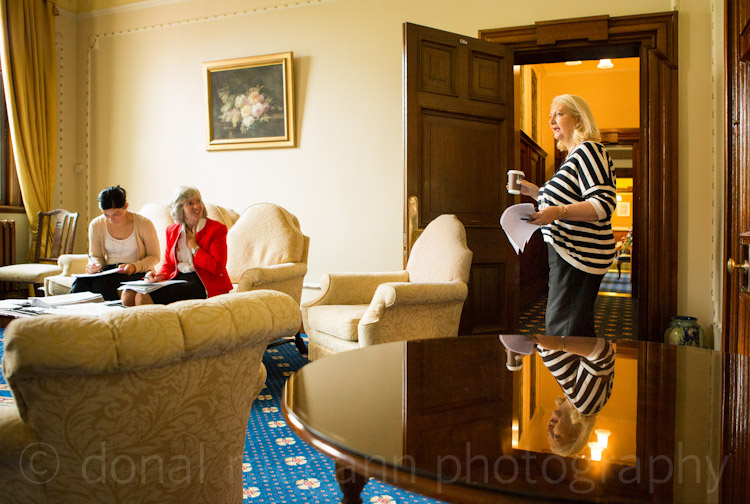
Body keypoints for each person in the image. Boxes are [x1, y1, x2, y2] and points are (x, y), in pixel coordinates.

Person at [514, 94, 617, 337]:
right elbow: (569, 199)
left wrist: (557, 212)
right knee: (568, 330)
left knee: (564, 332)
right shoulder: (572, 156)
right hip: (567, 253)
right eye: (550, 115)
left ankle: (572, 364)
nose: (551, 120)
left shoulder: (589, 150)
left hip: (579, 256)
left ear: (579, 119)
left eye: (559, 114)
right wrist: (535, 192)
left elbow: (603, 204)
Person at [500, 333, 614, 457]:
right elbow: (603, 354)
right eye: (557, 436)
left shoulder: (571, 397)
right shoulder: (585, 405)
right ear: (575, 433)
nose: (549, 428)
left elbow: (569, 355)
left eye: (548, 434)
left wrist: (532, 349)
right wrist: (560, 344)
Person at [122, 186, 232, 306]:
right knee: (128, 293)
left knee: (143, 296)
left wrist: (193, 246)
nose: (197, 206)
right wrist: (159, 276)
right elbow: (169, 264)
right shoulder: (172, 230)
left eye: (198, 201)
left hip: (203, 282)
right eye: (190, 203)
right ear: (180, 209)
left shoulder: (216, 229)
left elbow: (217, 268)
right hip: (178, 277)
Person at [70, 186, 160, 301]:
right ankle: (70, 311)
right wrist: (94, 265)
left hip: (137, 271)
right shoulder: (96, 225)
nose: (111, 219)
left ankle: (112, 311)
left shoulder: (144, 224)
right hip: (110, 270)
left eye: (116, 214)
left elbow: (155, 256)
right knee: (80, 283)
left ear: (125, 206)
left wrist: (134, 267)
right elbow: (96, 255)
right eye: (106, 215)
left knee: (101, 284)